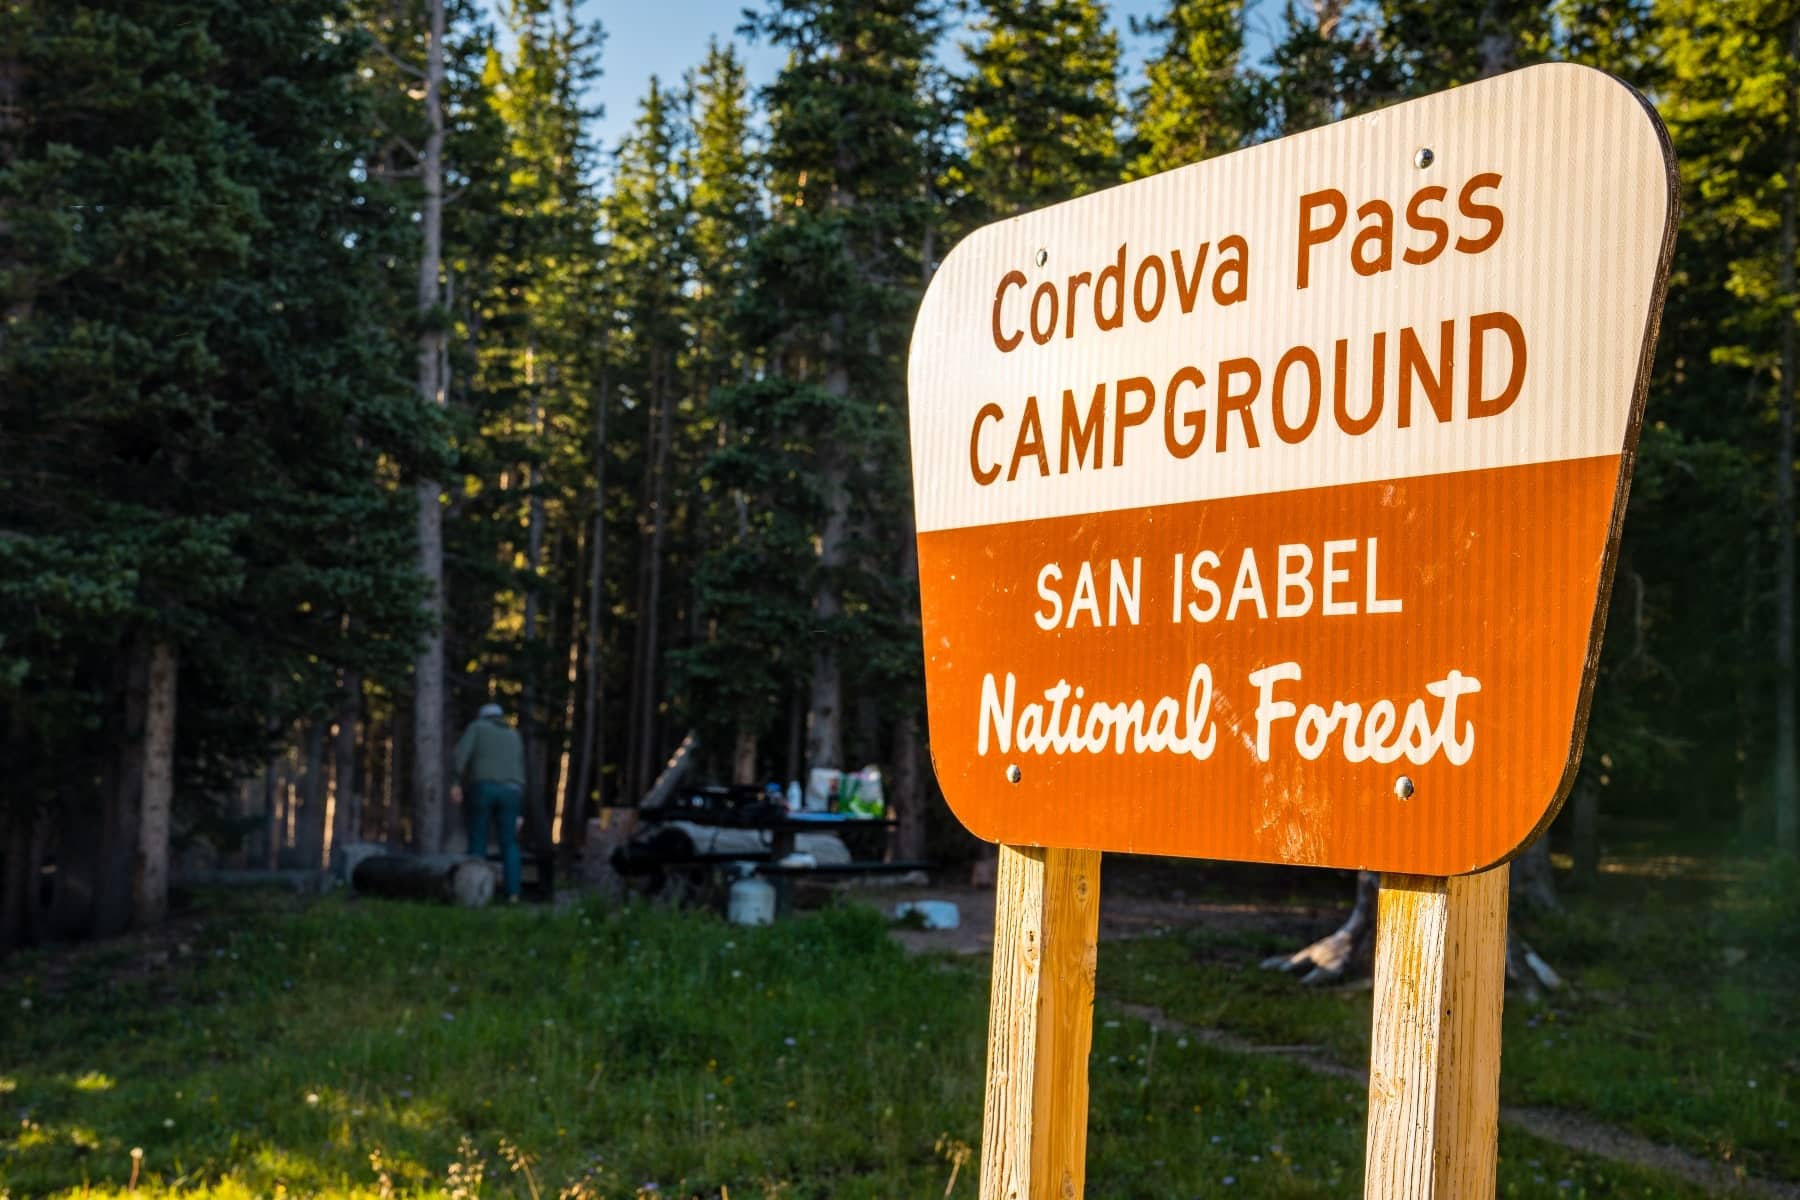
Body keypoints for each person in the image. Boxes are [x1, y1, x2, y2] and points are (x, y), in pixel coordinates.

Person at [451, 702, 526, 901]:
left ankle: (474, 893)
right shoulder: (513, 734)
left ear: (482, 716)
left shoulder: (477, 727)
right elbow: (519, 768)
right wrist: (520, 810)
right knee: (509, 843)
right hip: (512, 791)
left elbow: (461, 755)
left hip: (484, 788)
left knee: (478, 839)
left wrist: (456, 781)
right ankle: (513, 894)